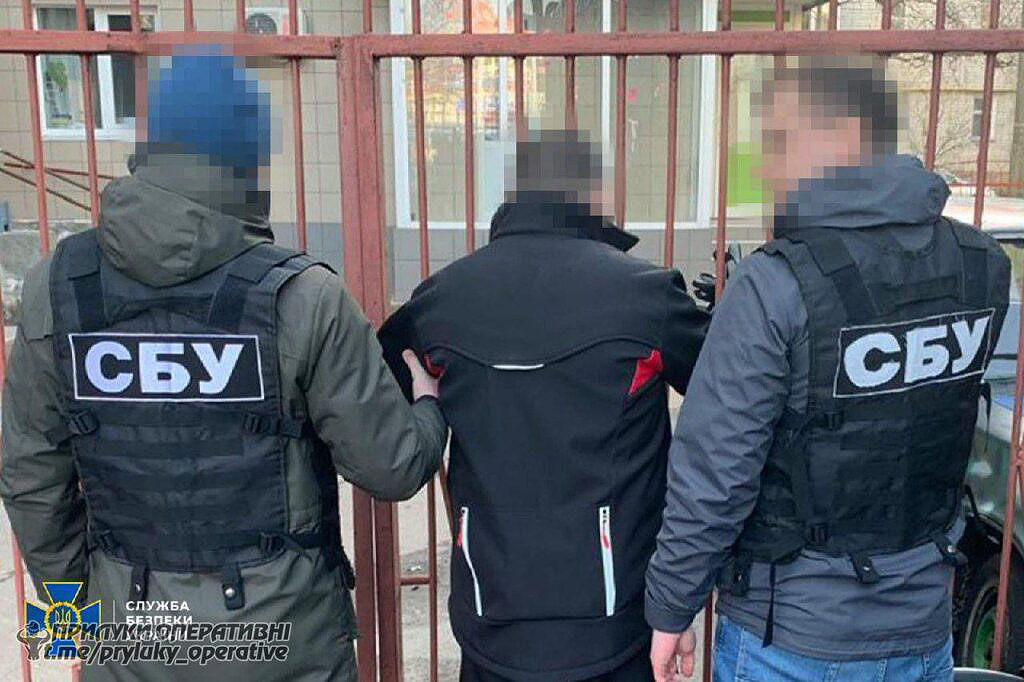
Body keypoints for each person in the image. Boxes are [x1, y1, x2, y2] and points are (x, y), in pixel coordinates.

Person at [0, 51, 447, 682]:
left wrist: (77, 625)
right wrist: (429, 408)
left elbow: (29, 478)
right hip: (285, 639)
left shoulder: (57, 285)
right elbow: (391, 468)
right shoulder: (303, 295)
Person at [645, 59, 1011, 682]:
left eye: (782, 140)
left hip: (792, 641)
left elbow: (715, 471)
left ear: (847, 135)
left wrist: (671, 606)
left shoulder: (774, 283)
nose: (768, 166)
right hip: (923, 634)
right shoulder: (981, 265)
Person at [379, 130, 710, 682]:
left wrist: (429, 405)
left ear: (515, 190)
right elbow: (729, 394)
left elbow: (376, 396)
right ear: (595, 192)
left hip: (491, 610)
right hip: (616, 618)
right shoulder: (646, 295)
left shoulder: (444, 298)